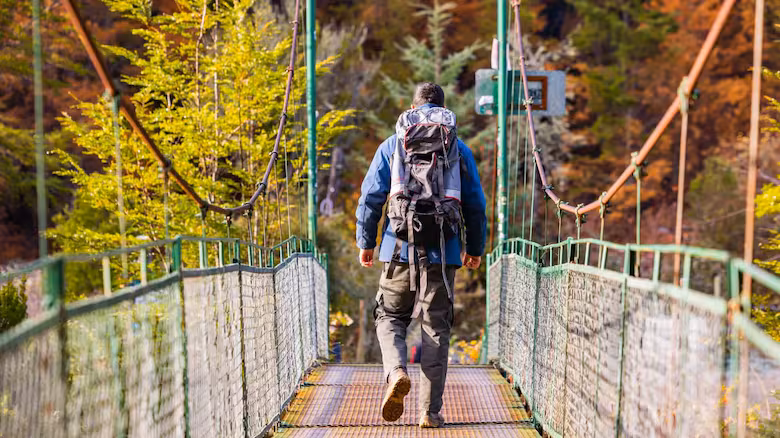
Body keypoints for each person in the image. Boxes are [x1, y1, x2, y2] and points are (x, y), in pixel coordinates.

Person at [355, 82, 487, 428]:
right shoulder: (458, 148)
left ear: (412, 107)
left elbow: (371, 198)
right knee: (436, 329)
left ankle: (396, 371)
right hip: (444, 252)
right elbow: (475, 205)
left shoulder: (392, 144)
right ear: (444, 109)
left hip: (398, 248)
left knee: (389, 317)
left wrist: (366, 242)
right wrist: (474, 249)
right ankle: (429, 413)